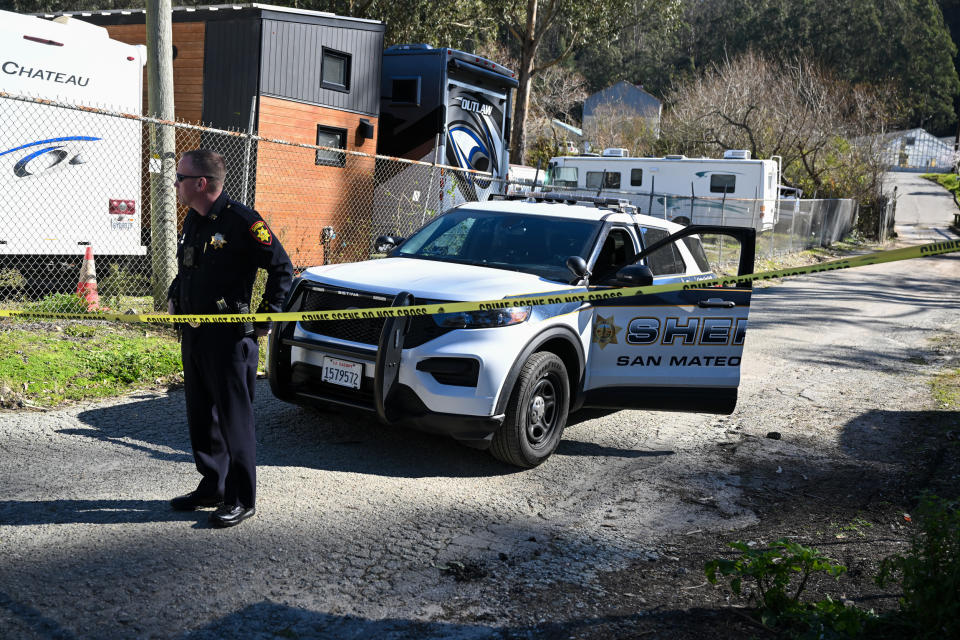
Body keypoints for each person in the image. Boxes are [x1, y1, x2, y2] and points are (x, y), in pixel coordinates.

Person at [167, 149, 293, 528]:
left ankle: (241, 497)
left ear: (200, 183)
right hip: (196, 336)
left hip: (229, 340)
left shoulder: (243, 222)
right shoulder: (194, 218)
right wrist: (176, 295)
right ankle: (213, 485)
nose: (175, 184)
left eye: (180, 178)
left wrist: (266, 318)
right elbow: (188, 267)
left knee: (234, 421)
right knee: (201, 415)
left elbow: (282, 269)